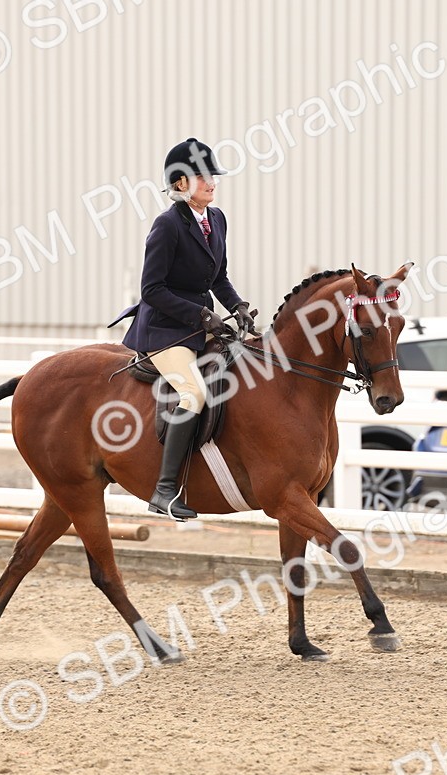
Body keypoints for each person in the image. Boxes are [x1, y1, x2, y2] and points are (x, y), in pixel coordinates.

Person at [107, 138, 258, 520]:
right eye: (203, 176)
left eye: (212, 176)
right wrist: (200, 316)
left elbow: (218, 277)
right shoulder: (167, 225)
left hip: (199, 324)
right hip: (164, 331)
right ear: (180, 184)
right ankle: (165, 490)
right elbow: (152, 290)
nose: (212, 182)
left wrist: (236, 306)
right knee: (192, 393)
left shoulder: (217, 219)